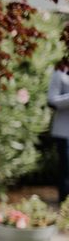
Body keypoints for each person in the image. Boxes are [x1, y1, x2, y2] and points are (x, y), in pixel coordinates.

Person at [48, 57, 69, 203]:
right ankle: (65, 203)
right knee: (66, 170)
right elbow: (52, 100)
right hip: (65, 132)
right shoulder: (59, 75)